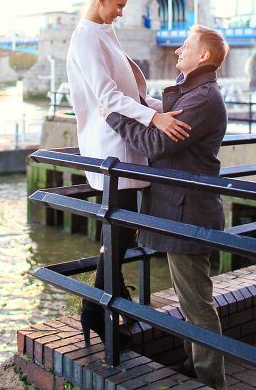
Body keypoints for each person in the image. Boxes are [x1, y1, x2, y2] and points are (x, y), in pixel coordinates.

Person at [66, 0, 188, 347]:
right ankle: (98, 306)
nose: (123, 12)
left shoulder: (105, 31)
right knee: (117, 232)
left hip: (127, 145)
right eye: (118, 5)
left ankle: (105, 300)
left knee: (121, 231)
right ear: (101, 0)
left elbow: (131, 92)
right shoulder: (86, 37)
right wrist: (156, 118)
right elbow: (108, 97)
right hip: (110, 148)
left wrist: (162, 108)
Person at [101, 25, 229, 390]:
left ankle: (210, 380)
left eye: (185, 46)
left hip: (188, 214)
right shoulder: (195, 91)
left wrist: (111, 116)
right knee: (191, 302)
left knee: (198, 304)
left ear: (203, 56)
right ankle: (194, 366)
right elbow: (160, 119)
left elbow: (156, 144)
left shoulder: (203, 98)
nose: (176, 51)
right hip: (182, 211)